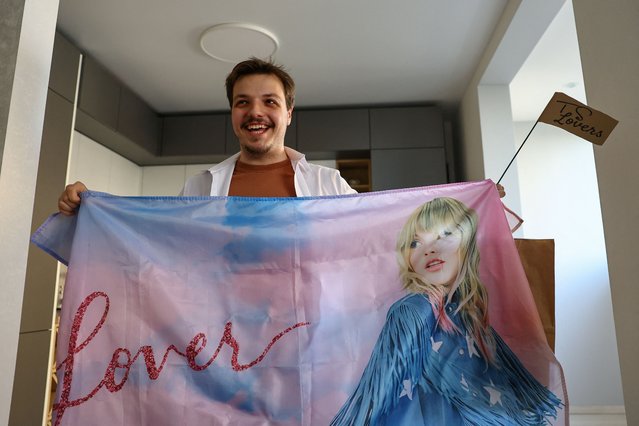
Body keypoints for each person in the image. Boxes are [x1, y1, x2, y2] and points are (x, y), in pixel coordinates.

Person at [58, 58, 506, 214]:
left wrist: (468, 205)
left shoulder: (327, 185)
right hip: (225, 337)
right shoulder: (201, 188)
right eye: (242, 102)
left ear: (289, 113)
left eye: (270, 102)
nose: (256, 112)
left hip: (310, 333)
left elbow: (386, 226)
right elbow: (155, 243)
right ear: (232, 113)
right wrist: (93, 209)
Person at [330, 197, 561, 425]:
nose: (429, 249)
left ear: (468, 242)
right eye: (415, 243)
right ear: (408, 259)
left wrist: (487, 202)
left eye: (444, 235)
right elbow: (381, 390)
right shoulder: (414, 310)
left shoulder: (465, 309)